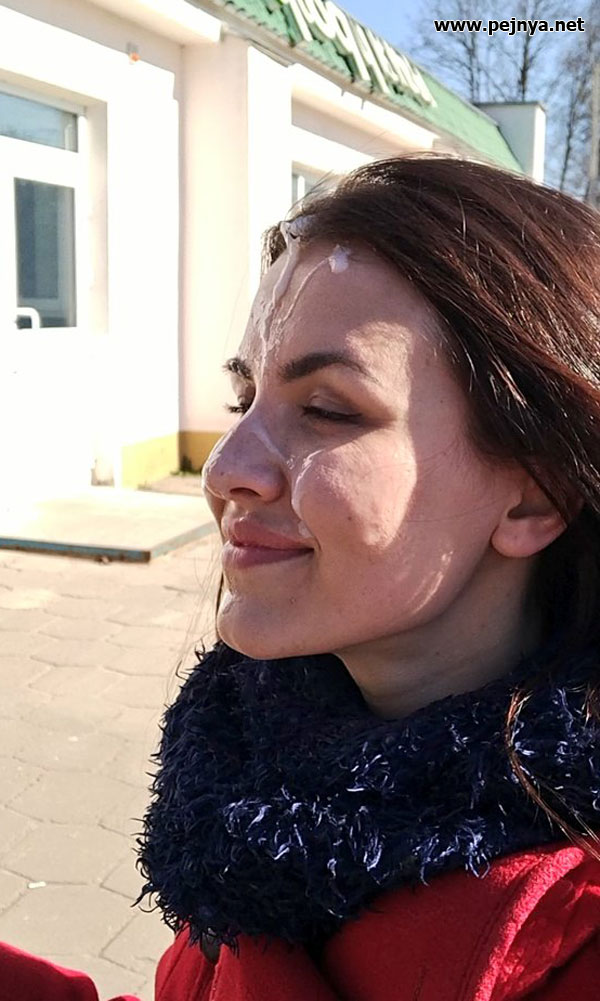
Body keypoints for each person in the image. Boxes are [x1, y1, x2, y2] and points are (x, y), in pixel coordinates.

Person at [2, 153, 600, 1000]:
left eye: (326, 409)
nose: (224, 469)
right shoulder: (259, 770)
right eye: (244, 399)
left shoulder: (570, 933)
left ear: (537, 493)